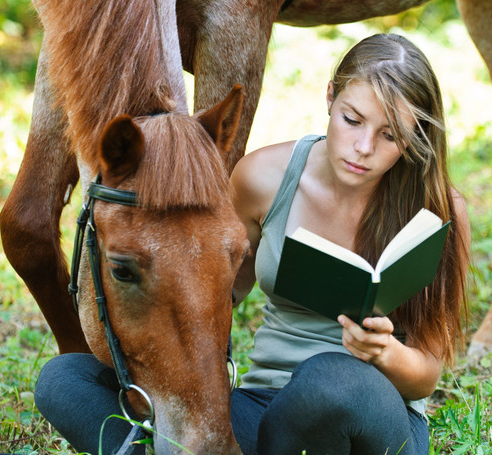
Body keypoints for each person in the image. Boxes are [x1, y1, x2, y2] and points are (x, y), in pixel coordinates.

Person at [35, 33, 469, 454]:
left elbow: (426, 375)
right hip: (264, 409)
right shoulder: (264, 177)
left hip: (369, 413)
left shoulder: (435, 211)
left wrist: (385, 354)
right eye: (352, 120)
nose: (362, 147)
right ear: (330, 97)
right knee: (64, 380)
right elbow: (218, 291)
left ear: (415, 139)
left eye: (390, 135)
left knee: (330, 381)